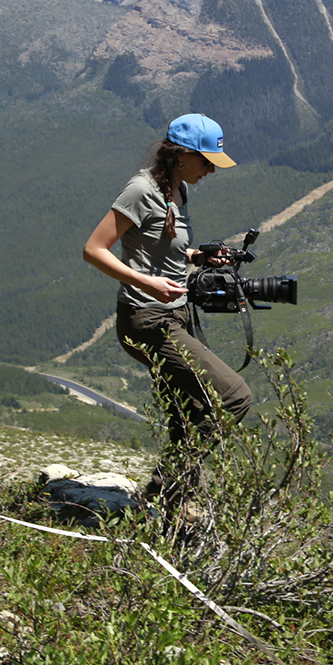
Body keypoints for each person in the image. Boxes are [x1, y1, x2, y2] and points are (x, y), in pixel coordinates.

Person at [83, 113, 253, 504]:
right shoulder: (141, 190)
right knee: (233, 397)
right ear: (180, 155)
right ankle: (164, 491)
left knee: (190, 410)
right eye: (206, 161)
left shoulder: (178, 189)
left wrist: (197, 257)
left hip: (174, 314)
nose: (211, 170)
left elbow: (162, 246)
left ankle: (169, 510)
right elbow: (93, 250)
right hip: (147, 318)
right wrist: (147, 282)